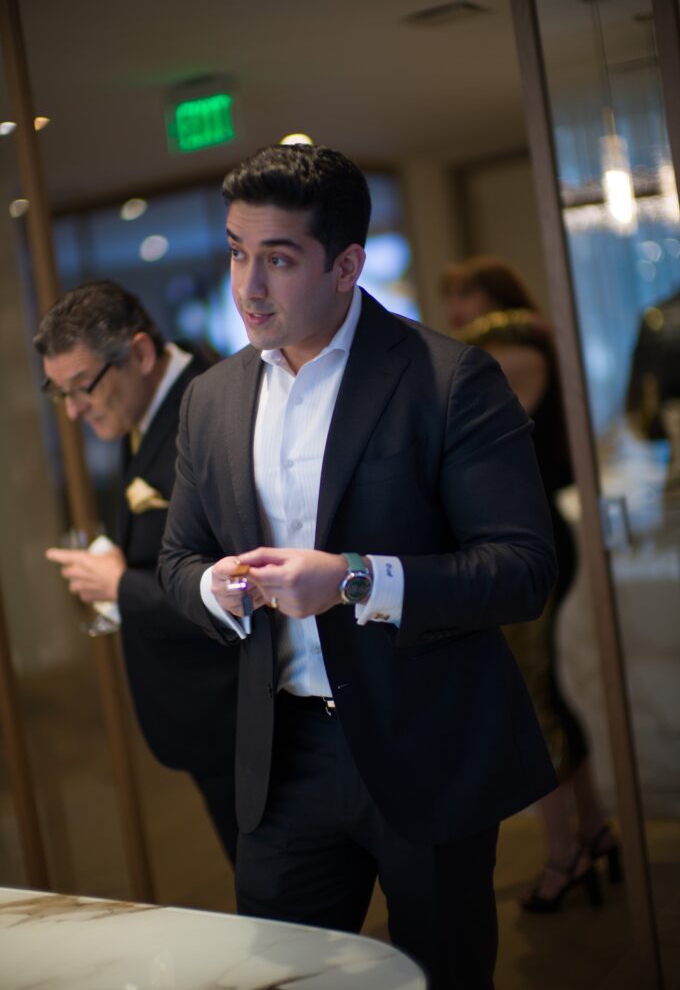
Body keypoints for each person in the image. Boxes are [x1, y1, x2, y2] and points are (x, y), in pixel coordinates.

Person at [158, 143, 560, 990]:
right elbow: (177, 558)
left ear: (346, 266)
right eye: (236, 253)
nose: (247, 287)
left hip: (425, 745)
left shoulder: (449, 378)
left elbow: (522, 569)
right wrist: (212, 587)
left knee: (442, 974)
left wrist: (353, 578)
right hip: (282, 757)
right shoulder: (212, 398)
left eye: (278, 259)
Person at [34, 281, 239, 863]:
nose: (73, 409)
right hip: (204, 718)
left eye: (83, 386)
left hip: (235, 714)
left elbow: (236, 586)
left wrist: (120, 587)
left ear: (141, 354)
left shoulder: (208, 411)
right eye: (59, 392)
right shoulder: (152, 403)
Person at [441, 255, 622, 912]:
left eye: (464, 295)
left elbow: (466, 444)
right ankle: (592, 829)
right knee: (545, 690)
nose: (455, 310)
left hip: (523, 540)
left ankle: (564, 854)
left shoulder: (506, 357)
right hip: (531, 534)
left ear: (493, 298)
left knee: (530, 697)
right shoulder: (520, 350)